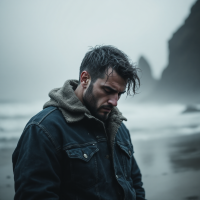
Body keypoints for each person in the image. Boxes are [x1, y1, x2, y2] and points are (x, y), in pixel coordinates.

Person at [12, 45, 146, 200]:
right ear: (85, 79)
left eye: (119, 94)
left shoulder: (119, 127)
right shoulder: (43, 129)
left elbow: (135, 184)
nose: (114, 102)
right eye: (108, 90)